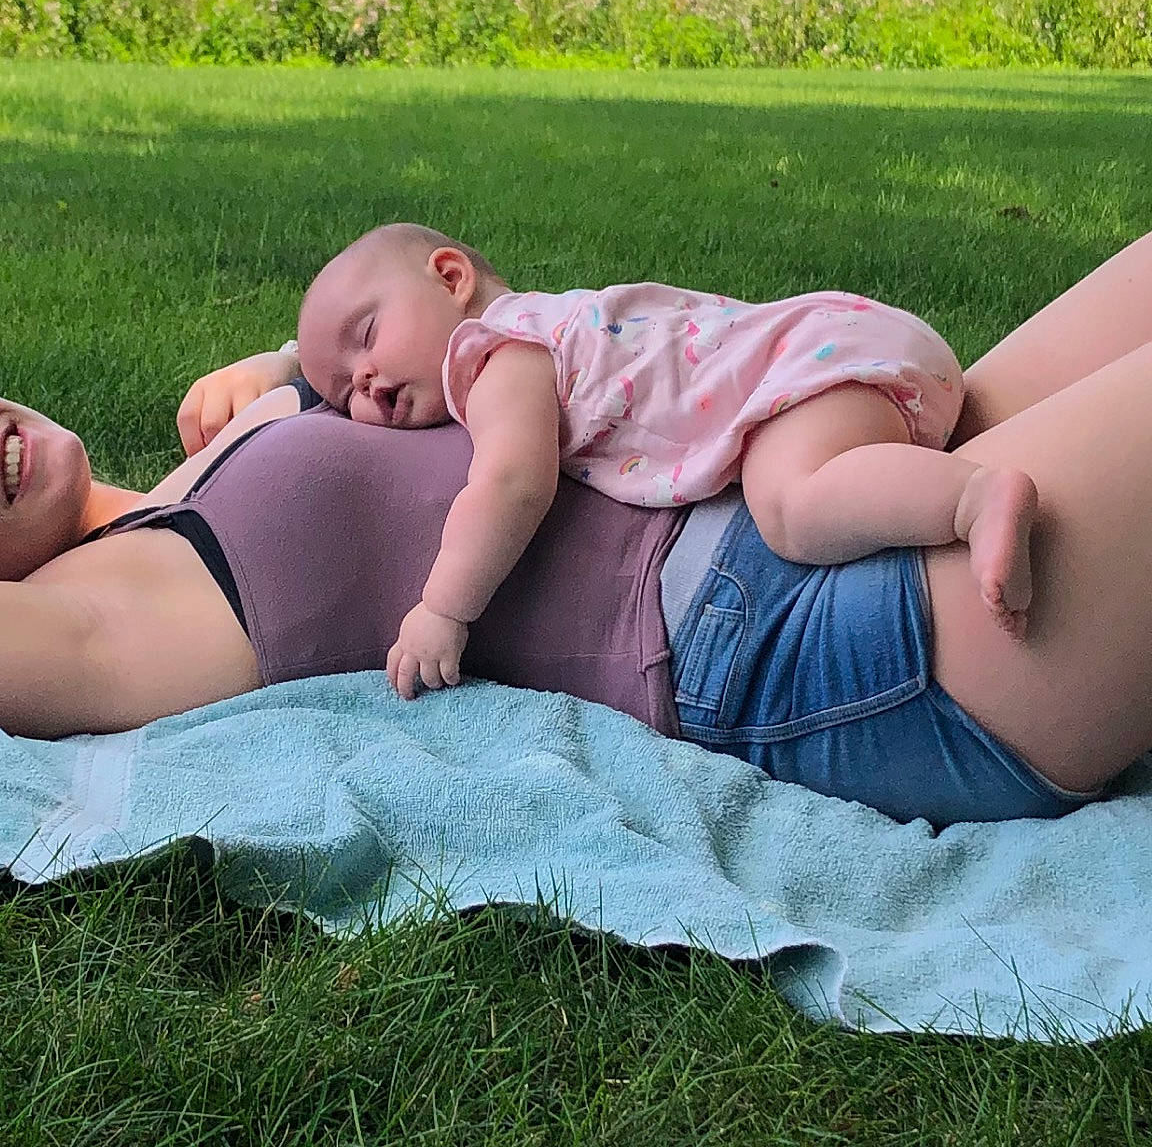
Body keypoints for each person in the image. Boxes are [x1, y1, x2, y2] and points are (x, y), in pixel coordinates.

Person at [10, 229, 1152, 827]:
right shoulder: (111, 605)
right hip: (806, 636)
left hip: (805, 453)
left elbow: (407, 346)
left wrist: (277, 371)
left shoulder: (212, 450)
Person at [292, 224, 1036, 701]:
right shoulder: (549, 322)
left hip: (811, 369)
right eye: (336, 389)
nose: (359, 383)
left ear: (450, 278)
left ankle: (971, 501)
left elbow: (512, 483)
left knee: (790, 503)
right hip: (848, 339)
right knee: (801, 481)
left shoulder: (498, 354)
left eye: (366, 335)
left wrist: (443, 609)